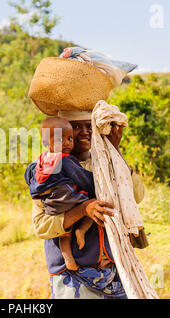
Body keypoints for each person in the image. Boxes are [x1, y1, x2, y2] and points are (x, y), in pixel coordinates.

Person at [31, 109, 145, 299]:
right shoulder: (50, 170)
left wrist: (114, 152)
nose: (85, 132)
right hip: (73, 277)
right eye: (76, 127)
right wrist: (82, 210)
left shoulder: (107, 162)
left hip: (115, 272)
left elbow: (138, 196)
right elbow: (41, 226)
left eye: (89, 126)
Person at [25, 117, 96, 271]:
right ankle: (82, 230)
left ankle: (68, 258)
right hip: (68, 199)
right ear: (45, 143)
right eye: (60, 139)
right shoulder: (66, 160)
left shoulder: (38, 163)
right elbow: (83, 178)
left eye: (69, 138)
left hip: (51, 204)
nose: (66, 143)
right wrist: (98, 188)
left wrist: (38, 192)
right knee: (92, 205)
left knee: (64, 234)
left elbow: (29, 177)